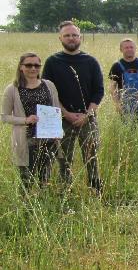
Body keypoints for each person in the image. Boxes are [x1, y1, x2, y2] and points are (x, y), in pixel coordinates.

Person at [42, 21, 104, 192]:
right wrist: (66, 114)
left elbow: (98, 91)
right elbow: (49, 92)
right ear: (60, 38)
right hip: (62, 120)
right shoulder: (53, 62)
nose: (71, 38)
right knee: (63, 158)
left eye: (74, 35)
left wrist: (87, 114)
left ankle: (95, 190)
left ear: (80, 37)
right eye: (67, 35)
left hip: (88, 119)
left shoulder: (90, 61)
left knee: (92, 157)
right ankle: (65, 191)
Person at [1, 53, 61, 189]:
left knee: (45, 179)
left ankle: (42, 205)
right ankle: (27, 208)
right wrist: (25, 120)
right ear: (21, 67)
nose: (33, 68)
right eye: (28, 65)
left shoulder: (49, 85)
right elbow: (4, 117)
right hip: (26, 140)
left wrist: (58, 129)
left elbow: (56, 109)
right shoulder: (12, 89)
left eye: (37, 65)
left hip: (48, 139)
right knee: (26, 180)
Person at [108, 38, 138, 118]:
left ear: (135, 48)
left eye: (131, 47)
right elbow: (112, 88)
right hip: (125, 107)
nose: (129, 49)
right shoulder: (116, 66)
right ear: (121, 49)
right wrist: (117, 105)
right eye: (126, 47)